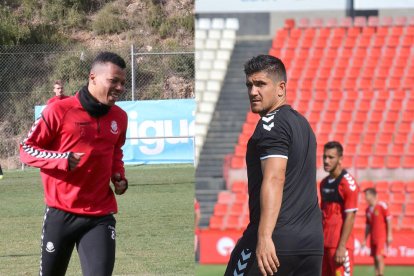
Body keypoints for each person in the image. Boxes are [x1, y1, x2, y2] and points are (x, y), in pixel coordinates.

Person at [20, 52, 128, 276]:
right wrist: (61, 159)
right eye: (114, 81)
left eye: (123, 83)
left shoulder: (120, 117)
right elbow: (26, 149)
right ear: (93, 77)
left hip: (100, 214)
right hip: (61, 213)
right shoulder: (58, 110)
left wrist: (118, 175)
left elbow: (115, 150)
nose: (119, 87)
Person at [224, 55, 323, 276]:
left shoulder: (271, 124)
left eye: (260, 84)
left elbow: (275, 178)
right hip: (311, 245)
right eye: (249, 85)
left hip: (277, 240)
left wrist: (265, 236)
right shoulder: (302, 124)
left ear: (281, 88)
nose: (252, 92)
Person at [320, 141, 359, 276]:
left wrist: (342, 247)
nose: (326, 160)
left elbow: (350, 216)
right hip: (324, 246)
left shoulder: (348, 184)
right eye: (324, 157)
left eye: (331, 157)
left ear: (340, 159)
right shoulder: (323, 183)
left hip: (339, 247)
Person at [362, 188, 392, 276]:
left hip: (381, 237)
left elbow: (389, 220)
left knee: (379, 257)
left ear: (372, 195)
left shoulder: (382, 206)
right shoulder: (367, 210)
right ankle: (377, 274)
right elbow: (368, 226)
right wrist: (364, 239)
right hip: (373, 237)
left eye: (367, 195)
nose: (365, 197)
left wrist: (389, 235)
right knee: (375, 257)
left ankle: (381, 274)